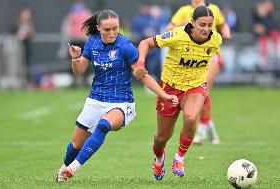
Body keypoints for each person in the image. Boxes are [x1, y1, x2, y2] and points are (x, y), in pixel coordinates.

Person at [55, 10, 178, 182]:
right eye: (107, 30)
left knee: (104, 125)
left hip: (122, 102)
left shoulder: (125, 46)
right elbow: (79, 71)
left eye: (115, 28)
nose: (112, 33)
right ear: (98, 28)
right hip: (96, 100)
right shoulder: (92, 43)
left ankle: (74, 167)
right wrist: (76, 59)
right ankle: (64, 169)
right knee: (76, 145)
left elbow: (142, 75)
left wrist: (163, 94)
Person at [133, 6, 222, 180]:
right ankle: (159, 158)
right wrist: (141, 63)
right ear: (193, 23)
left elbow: (213, 59)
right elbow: (145, 43)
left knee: (190, 118)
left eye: (210, 25)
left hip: (195, 87)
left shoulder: (216, 40)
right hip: (169, 89)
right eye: (202, 24)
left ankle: (179, 158)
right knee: (161, 137)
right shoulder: (177, 35)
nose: (206, 29)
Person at [167, 0, 231, 145]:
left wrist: (227, 33)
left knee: (202, 91)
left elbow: (222, 24)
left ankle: (201, 132)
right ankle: (211, 130)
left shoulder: (213, 8)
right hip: (193, 57)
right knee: (197, 94)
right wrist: (181, 23)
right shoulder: (184, 10)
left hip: (212, 56)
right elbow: (168, 29)